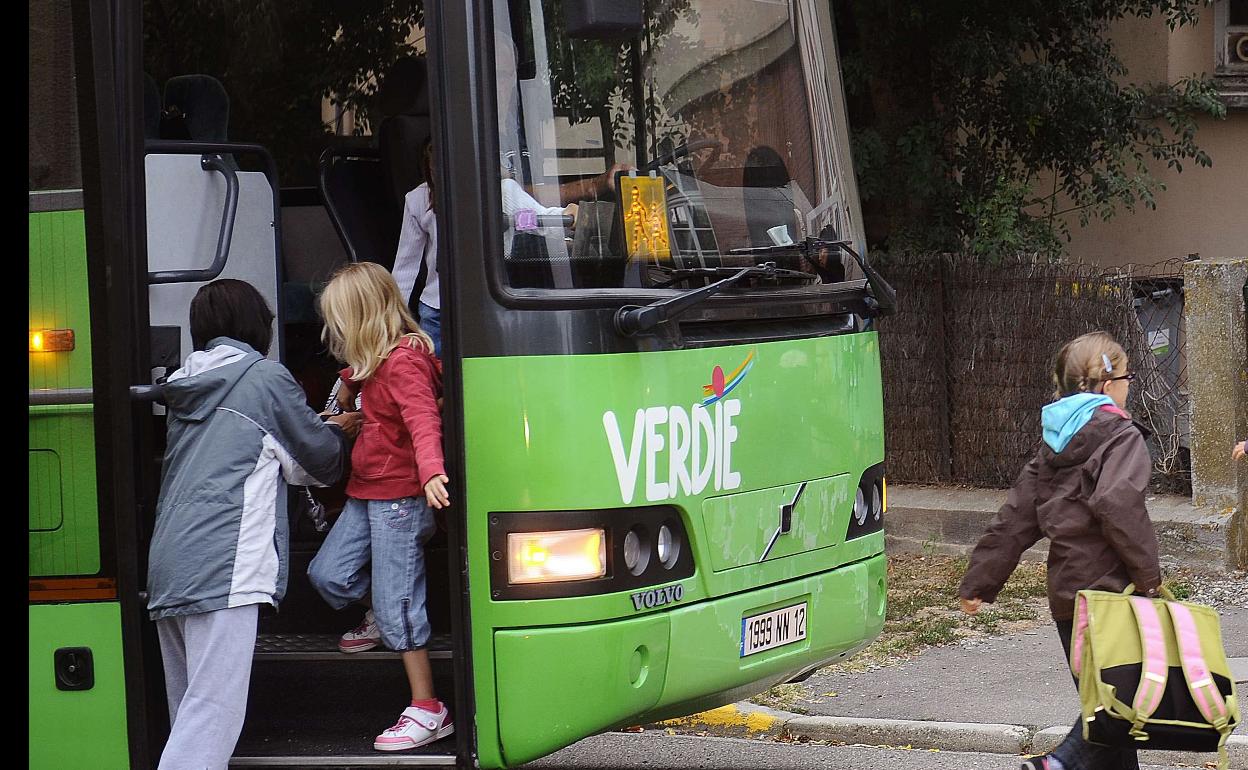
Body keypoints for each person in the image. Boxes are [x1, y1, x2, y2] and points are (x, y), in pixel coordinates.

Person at [146, 279, 359, 769]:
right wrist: (337, 428)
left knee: (189, 714)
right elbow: (322, 461)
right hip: (225, 563)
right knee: (211, 717)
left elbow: (265, 454)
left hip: (170, 565)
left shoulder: (186, 382)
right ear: (256, 327)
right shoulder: (263, 378)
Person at [958, 331, 1162, 770]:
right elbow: (1118, 503)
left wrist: (981, 580)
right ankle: (1056, 764)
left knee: (1114, 725)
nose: (1130, 384)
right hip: (1112, 595)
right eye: (1126, 376)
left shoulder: (1054, 442)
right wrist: (1149, 578)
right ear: (1108, 386)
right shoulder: (1120, 436)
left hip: (1069, 598)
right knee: (1116, 706)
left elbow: (1016, 516)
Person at [307, 262, 454, 752]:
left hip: (399, 499)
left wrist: (432, 470)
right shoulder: (378, 363)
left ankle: (428, 708)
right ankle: (377, 617)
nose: (337, 333)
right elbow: (372, 384)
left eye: (341, 323)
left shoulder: (404, 363)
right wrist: (353, 401)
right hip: (367, 490)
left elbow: (421, 420)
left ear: (364, 320)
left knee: (400, 607)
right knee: (328, 574)